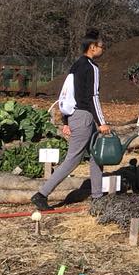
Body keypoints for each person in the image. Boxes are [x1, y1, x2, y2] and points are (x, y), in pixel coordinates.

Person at [31, 30, 110, 210]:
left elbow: (66, 95)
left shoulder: (76, 65)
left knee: (96, 155)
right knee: (73, 159)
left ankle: (97, 196)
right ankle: (42, 194)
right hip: (84, 117)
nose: (102, 49)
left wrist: (66, 120)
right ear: (92, 47)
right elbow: (93, 97)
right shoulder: (92, 67)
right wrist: (102, 122)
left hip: (75, 115)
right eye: (101, 46)